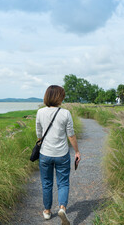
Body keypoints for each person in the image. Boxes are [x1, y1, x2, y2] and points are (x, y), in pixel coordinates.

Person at [36, 85, 81, 225]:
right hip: (62, 154)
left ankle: (47, 212)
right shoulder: (65, 113)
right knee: (63, 183)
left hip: (45, 154)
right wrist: (77, 152)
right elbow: (71, 135)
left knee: (46, 183)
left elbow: (39, 134)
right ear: (59, 97)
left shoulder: (40, 112)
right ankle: (62, 208)